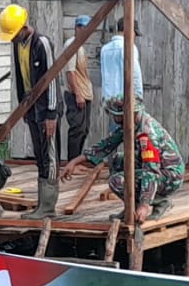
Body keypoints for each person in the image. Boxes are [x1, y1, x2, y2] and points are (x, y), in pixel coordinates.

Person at [61, 96, 182, 224]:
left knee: (117, 181)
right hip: (157, 169)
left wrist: (145, 204)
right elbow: (106, 145)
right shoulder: (131, 124)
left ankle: (160, 202)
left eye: (116, 116)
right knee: (118, 159)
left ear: (128, 114)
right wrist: (74, 162)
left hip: (169, 176)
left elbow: (151, 171)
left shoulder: (146, 134)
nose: (114, 119)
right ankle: (131, 207)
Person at [0, 4, 60, 218]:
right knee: (39, 155)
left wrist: (51, 113)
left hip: (47, 108)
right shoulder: (19, 46)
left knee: (49, 154)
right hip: (32, 106)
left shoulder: (41, 43)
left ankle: (48, 205)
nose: (13, 38)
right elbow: (20, 78)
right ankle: (41, 203)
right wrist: (23, 106)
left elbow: (51, 78)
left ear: (24, 27)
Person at [99, 18, 142, 133]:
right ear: (129, 30)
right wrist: (138, 101)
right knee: (133, 136)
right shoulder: (129, 47)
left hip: (110, 101)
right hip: (126, 101)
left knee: (114, 136)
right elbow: (135, 76)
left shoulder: (104, 49)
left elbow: (104, 76)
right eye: (135, 33)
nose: (135, 37)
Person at [61, 15, 94, 161]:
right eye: (84, 28)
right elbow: (70, 72)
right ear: (78, 28)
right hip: (76, 94)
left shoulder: (81, 46)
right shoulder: (72, 44)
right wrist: (78, 94)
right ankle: (72, 161)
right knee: (77, 129)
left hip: (85, 93)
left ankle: (76, 161)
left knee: (84, 130)